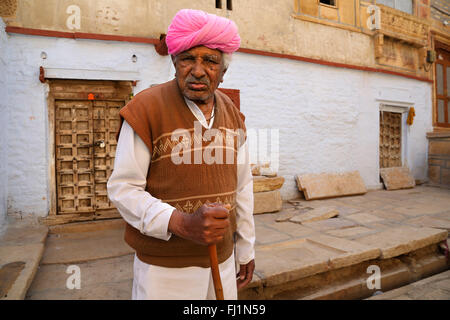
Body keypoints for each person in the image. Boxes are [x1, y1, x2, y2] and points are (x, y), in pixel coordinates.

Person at [107, 8, 255, 300]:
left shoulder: (234, 115)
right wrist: (180, 223)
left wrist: (246, 248)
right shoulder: (146, 108)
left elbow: (243, 186)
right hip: (164, 270)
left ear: (223, 71)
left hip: (223, 262)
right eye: (188, 58)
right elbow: (123, 189)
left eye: (210, 61)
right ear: (174, 62)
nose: (198, 70)